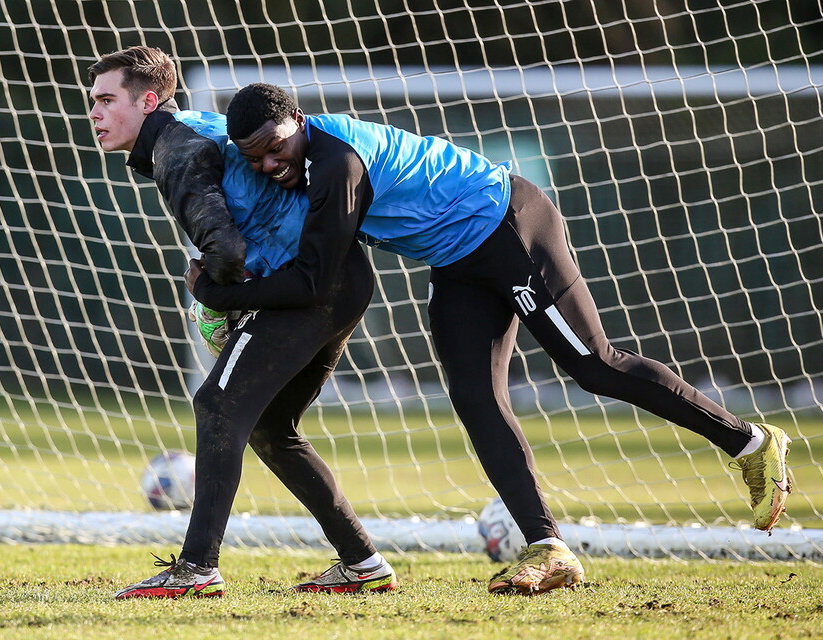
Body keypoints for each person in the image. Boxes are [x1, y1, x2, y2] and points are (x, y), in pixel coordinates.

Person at [190, 82, 795, 596]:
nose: (269, 164)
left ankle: (749, 442)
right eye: (255, 158)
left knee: (594, 365)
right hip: (456, 261)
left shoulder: (337, 162)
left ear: (299, 121)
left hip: (506, 225)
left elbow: (317, 279)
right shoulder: (299, 162)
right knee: (476, 397)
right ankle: (549, 548)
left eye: (276, 148)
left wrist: (220, 295)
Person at [87, 47, 396, 598]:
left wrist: (209, 297)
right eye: (94, 102)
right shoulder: (187, 132)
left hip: (306, 291)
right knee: (269, 427)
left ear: (149, 101)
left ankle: (197, 567)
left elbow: (225, 252)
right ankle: (362, 562)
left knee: (219, 405)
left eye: (108, 100)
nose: (96, 113)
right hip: (337, 283)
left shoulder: (175, 151)